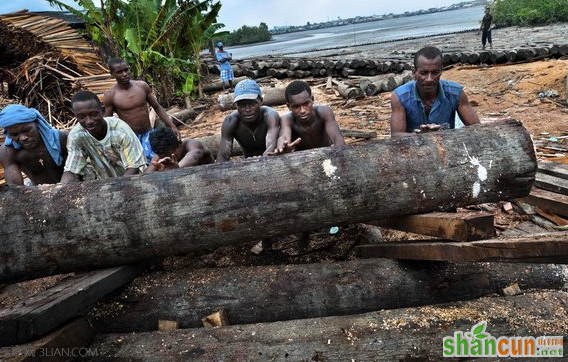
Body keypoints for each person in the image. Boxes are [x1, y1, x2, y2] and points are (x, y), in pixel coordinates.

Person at [103, 57, 180, 164]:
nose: (124, 74)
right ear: (112, 74)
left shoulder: (141, 86)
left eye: (126, 70)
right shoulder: (110, 95)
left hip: (149, 134)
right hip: (131, 138)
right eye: (119, 72)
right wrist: (110, 147)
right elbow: (108, 123)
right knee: (140, 166)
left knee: (160, 161)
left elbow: (157, 107)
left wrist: (172, 126)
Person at [390, 46, 480, 137]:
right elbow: (395, 136)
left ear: (441, 71)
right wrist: (421, 136)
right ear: (414, 72)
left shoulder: (456, 93)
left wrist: (443, 134)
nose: (429, 79)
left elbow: (477, 128)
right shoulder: (400, 96)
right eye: (423, 73)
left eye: (435, 72)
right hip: (414, 148)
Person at [61, 90, 146, 183]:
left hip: (136, 180)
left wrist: (119, 189)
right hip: (105, 183)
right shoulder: (76, 136)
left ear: (102, 110)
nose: (89, 121)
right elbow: (71, 170)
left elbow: (133, 168)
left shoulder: (120, 130)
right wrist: (60, 190)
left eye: (93, 114)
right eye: (82, 117)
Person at [0, 104, 67, 185]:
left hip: (69, 185)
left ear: (37, 123)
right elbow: (16, 187)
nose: (23, 138)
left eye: (27, 130)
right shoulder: (8, 152)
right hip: (37, 190)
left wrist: (61, 190)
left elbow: (73, 171)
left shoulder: (60, 139)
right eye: (14, 134)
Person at [272, 80, 345, 154]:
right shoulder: (287, 119)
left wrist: (340, 155)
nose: (302, 111)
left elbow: (337, 139)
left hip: (326, 153)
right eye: (296, 107)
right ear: (289, 106)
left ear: (312, 100)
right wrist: (282, 147)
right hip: (303, 158)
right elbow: (284, 137)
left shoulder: (324, 112)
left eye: (306, 104)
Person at [217, 79, 280, 162]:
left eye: (252, 104)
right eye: (242, 106)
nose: (247, 109)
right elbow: (223, 155)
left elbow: (271, 147)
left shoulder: (270, 115)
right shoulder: (231, 121)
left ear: (261, 101)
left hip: (272, 160)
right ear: (236, 106)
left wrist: (259, 163)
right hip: (247, 161)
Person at [145, 127, 214, 172]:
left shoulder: (193, 145)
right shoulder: (161, 153)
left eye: (171, 155)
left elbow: (193, 157)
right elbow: (146, 175)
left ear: (180, 143)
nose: (168, 159)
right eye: (162, 157)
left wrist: (174, 169)